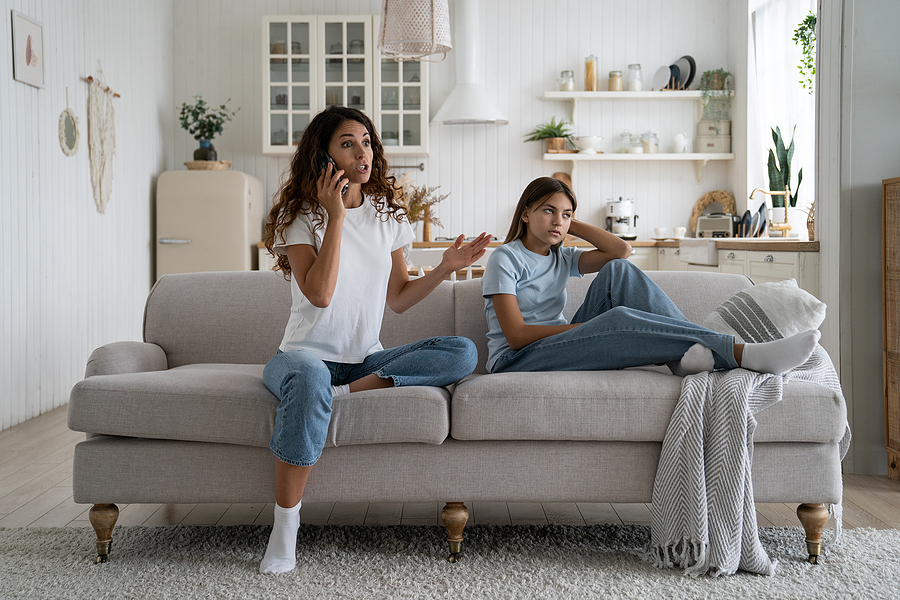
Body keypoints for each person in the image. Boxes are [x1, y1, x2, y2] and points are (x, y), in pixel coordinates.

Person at [261, 106, 491, 574]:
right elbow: (321, 295)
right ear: (323, 155)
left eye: (366, 141)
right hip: (300, 358)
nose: (362, 151)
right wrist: (337, 216)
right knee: (307, 374)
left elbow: (401, 299)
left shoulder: (388, 212)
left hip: (364, 362)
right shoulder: (302, 216)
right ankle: (285, 530)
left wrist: (447, 268)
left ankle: (341, 394)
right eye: (347, 142)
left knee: (462, 351)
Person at [482, 176, 820, 379]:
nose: (558, 221)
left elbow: (620, 252)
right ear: (525, 213)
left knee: (619, 272)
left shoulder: (561, 256)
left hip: (557, 343)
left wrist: (570, 222)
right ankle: (740, 352)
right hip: (517, 359)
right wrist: (588, 330)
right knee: (617, 319)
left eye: (565, 214)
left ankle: (686, 356)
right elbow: (517, 335)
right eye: (547, 211)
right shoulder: (505, 258)